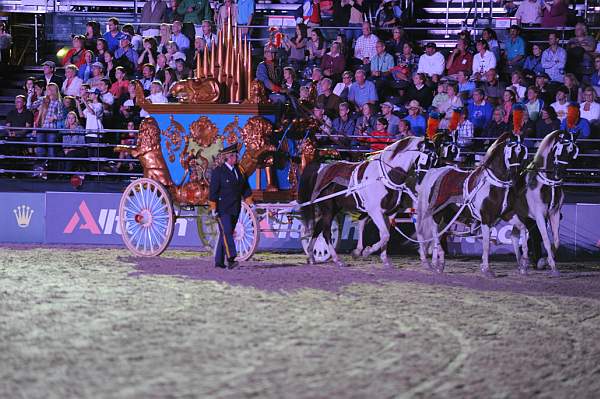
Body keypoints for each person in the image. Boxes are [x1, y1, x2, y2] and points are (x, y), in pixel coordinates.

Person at [208, 144, 254, 269]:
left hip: (235, 208)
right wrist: (213, 207)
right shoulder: (219, 172)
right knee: (228, 232)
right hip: (222, 209)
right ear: (228, 157)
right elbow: (213, 191)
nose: (236, 158)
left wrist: (250, 201)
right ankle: (231, 259)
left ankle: (219, 261)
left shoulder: (239, 171)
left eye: (236, 155)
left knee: (225, 233)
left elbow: (245, 187)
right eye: (234, 156)